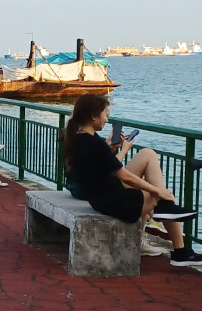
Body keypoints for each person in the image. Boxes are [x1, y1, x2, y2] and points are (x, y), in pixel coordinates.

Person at [63, 94, 202, 267]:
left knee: (148, 154)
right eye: (105, 114)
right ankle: (179, 249)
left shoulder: (78, 138)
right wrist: (157, 191)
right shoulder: (94, 143)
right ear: (93, 116)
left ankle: (165, 211)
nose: (107, 120)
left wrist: (111, 148)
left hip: (100, 196)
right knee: (159, 195)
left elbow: (101, 166)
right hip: (112, 200)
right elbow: (124, 175)